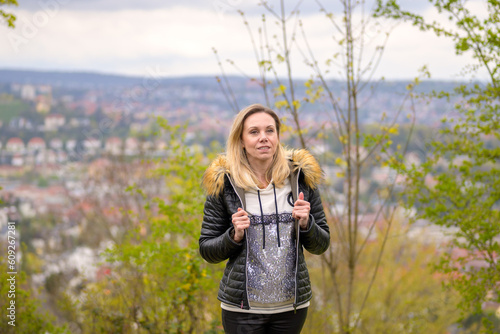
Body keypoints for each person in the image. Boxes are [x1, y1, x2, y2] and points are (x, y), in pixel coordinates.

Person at [199, 104, 330, 334]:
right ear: (240, 140)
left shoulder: (301, 179)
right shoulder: (225, 185)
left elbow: (322, 245)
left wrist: (306, 224)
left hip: (291, 309)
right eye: (254, 132)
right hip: (242, 310)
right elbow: (207, 250)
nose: (263, 138)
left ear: (278, 136)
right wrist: (234, 235)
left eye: (270, 131)